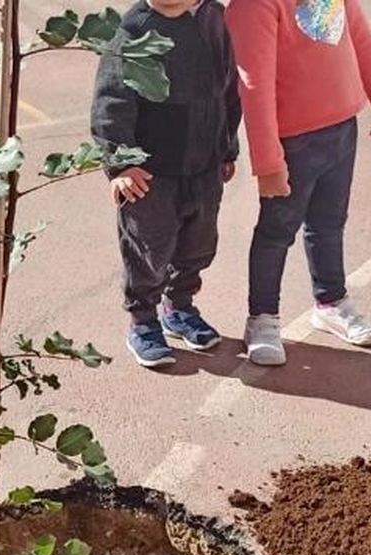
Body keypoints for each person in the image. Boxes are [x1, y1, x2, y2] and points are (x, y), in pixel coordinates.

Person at [225, 0, 371, 366]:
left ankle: (331, 302)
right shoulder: (252, 6)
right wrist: (269, 162)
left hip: (341, 130)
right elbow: (254, 86)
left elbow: (359, 35)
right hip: (293, 142)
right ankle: (262, 319)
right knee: (277, 232)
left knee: (329, 222)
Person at [91, 0, 241, 369]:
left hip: (204, 165)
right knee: (148, 247)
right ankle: (143, 321)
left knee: (198, 243)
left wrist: (227, 148)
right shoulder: (134, 28)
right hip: (151, 174)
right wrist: (121, 164)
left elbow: (228, 88)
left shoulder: (214, 18)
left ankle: (179, 307)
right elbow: (111, 101)